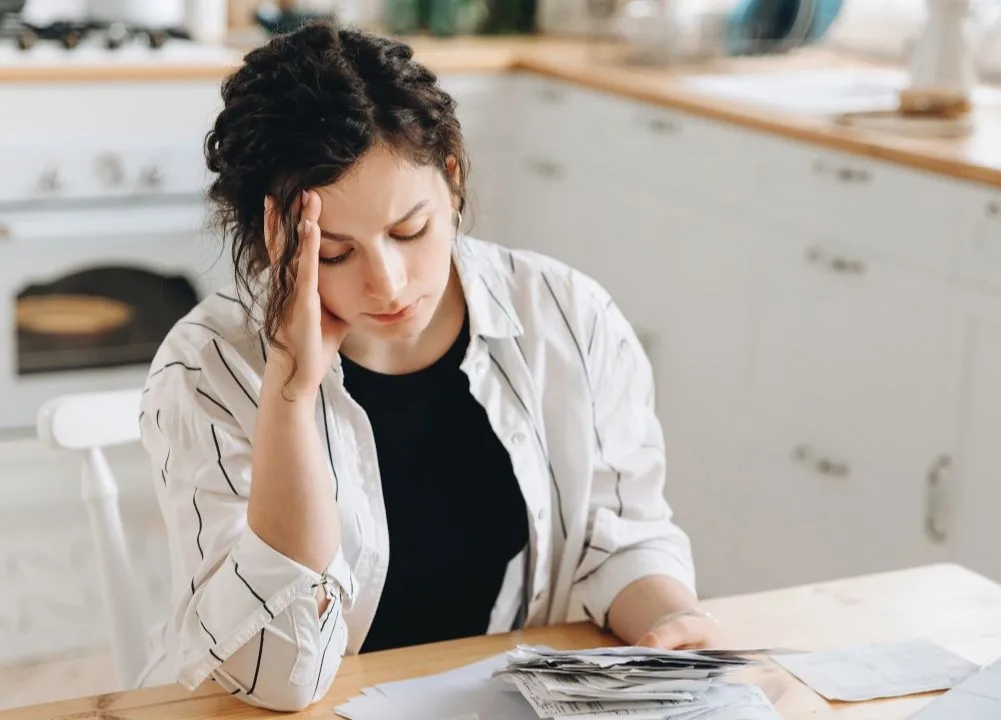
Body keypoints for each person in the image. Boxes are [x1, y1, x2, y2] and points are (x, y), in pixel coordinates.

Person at [135, 21, 718, 712]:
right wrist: (290, 391)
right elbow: (276, 675)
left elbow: (616, 538)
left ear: (452, 179)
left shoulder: (568, 315)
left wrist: (672, 620)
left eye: (409, 231)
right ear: (273, 241)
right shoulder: (207, 370)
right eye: (334, 253)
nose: (387, 283)